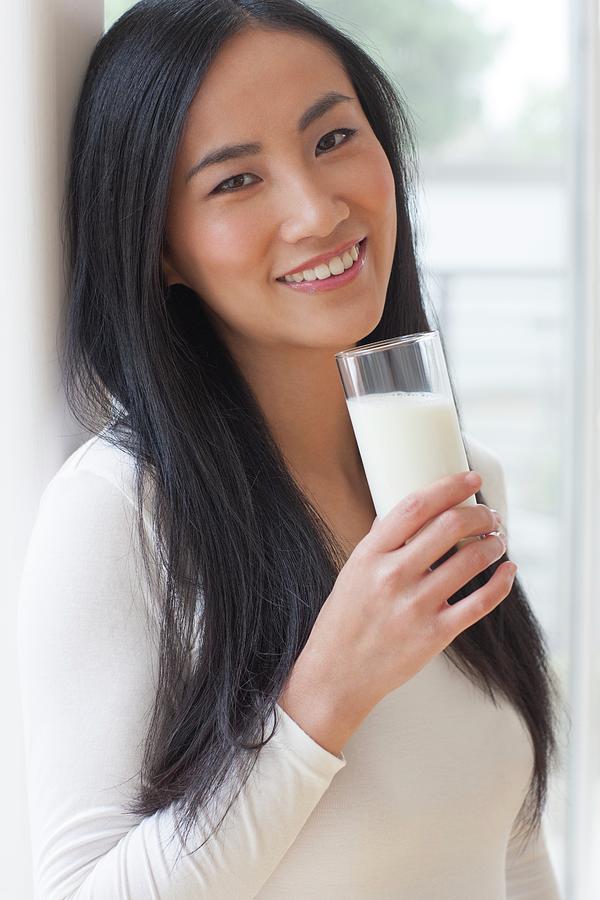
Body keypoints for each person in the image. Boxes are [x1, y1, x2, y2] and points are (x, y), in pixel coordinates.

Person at [17, 1, 564, 897]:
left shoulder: (462, 481)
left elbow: (510, 848)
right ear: (162, 249)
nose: (317, 210)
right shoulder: (121, 513)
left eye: (333, 137)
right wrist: (324, 697)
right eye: (236, 182)